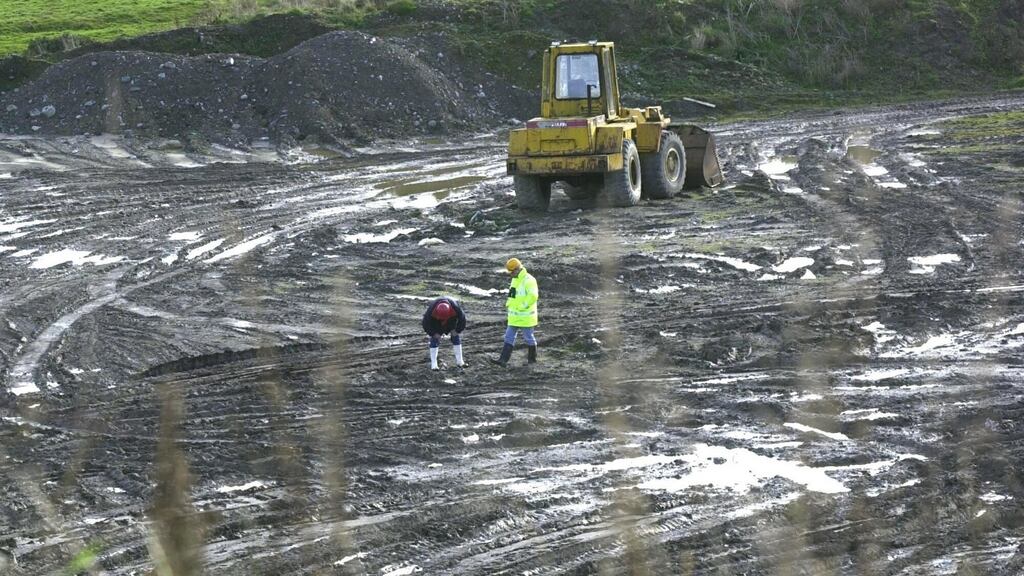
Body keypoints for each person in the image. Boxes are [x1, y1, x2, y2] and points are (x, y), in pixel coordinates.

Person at [495, 257, 538, 366]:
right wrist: (508, 303)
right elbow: (513, 295)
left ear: (517, 269)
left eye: (511, 272)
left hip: (525, 317)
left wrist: (522, 306)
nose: (510, 274)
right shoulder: (515, 279)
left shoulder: (529, 280)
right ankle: (503, 360)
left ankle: (532, 361)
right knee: (508, 336)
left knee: (529, 338)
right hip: (514, 316)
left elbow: (533, 296)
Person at [423, 297, 467, 371]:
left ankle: (460, 362)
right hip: (436, 321)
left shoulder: (455, 307)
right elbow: (425, 324)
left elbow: (462, 320)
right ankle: (434, 364)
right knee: (435, 339)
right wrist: (433, 333)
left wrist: (457, 330)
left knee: (455, 337)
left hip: (451, 320)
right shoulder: (431, 310)